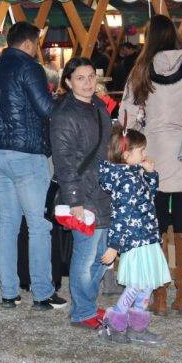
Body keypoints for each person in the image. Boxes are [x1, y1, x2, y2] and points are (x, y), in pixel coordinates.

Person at [118, 15, 182, 316]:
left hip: (153, 157)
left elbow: (127, 116)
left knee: (157, 227)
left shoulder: (142, 68)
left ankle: (160, 297)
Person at [0, 22, 65, 309]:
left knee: (7, 225)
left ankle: (9, 292)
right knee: (39, 226)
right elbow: (46, 109)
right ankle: (41, 293)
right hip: (26, 154)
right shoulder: (30, 68)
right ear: (30, 44)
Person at [49, 58, 112, 329]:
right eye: (80, 78)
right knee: (85, 256)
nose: (88, 83)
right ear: (68, 82)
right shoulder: (64, 114)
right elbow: (63, 160)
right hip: (83, 194)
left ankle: (87, 303)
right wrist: (74, 200)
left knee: (101, 255)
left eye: (91, 77)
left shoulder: (99, 106)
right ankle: (82, 311)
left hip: (103, 190)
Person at [98, 127, 170, 345]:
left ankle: (137, 327)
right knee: (138, 285)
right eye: (141, 151)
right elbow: (122, 215)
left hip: (147, 236)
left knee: (147, 283)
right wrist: (114, 246)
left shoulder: (133, 173)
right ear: (126, 155)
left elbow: (149, 196)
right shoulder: (125, 180)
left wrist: (149, 174)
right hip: (136, 240)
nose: (145, 154)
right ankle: (112, 324)